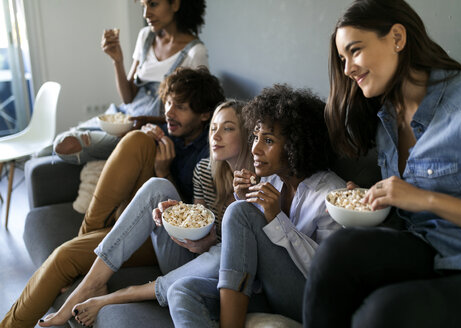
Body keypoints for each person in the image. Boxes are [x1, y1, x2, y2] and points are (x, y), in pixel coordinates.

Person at [303, 0, 461, 327]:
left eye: (355, 51)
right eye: (342, 59)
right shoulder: (386, 120)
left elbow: (419, 199)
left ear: (397, 38)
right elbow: (408, 213)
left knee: (383, 312)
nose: (347, 69)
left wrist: (425, 199)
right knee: (337, 251)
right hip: (427, 251)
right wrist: (372, 204)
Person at [0, 67, 224, 328]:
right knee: (138, 140)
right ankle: (89, 244)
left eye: (181, 107)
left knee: (64, 257)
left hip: (168, 237)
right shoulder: (167, 130)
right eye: (169, 103)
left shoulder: (210, 154)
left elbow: (193, 222)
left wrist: (164, 170)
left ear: (204, 115)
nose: (170, 112)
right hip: (139, 216)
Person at [35, 100, 253, 327]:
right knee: (157, 186)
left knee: (222, 254)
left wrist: (212, 244)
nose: (216, 136)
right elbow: (200, 225)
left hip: (219, 279)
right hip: (191, 262)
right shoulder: (204, 171)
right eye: (214, 128)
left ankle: (120, 295)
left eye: (227, 128)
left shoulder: (259, 185)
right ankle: (92, 283)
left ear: (248, 136)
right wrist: (184, 229)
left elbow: (240, 259)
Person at [166, 84, 347, 327]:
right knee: (181, 291)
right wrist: (244, 198)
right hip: (265, 289)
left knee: (239, 212)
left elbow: (329, 276)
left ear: (297, 145)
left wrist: (275, 219)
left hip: (310, 300)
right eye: (256, 136)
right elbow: (247, 252)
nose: (255, 149)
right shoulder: (271, 180)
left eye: (268, 140)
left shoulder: (331, 195)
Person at [54, 0, 208, 165]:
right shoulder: (145, 36)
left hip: (148, 131)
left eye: (153, 4)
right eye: (143, 6)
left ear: (176, 4)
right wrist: (117, 60)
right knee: (59, 140)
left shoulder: (195, 52)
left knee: (65, 145)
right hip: (124, 115)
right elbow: (128, 97)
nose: (146, 14)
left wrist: (144, 121)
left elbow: (193, 115)